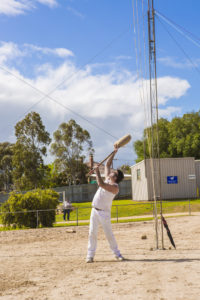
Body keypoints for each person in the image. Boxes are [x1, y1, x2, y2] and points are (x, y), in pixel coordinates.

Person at [86, 147, 124, 263]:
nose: (111, 172)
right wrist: (114, 152)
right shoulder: (109, 178)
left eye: (113, 173)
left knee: (108, 234)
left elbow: (100, 184)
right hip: (95, 210)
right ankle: (90, 255)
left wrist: (96, 170)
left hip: (104, 213)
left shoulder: (115, 188)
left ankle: (117, 254)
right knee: (92, 232)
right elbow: (107, 164)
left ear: (115, 177)